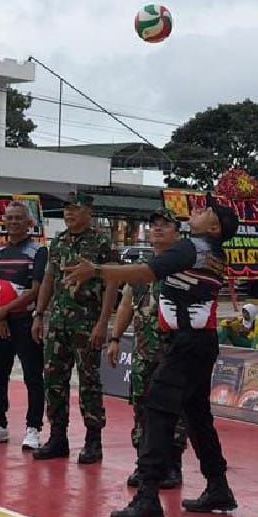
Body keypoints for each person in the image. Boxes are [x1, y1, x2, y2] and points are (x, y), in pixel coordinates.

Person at [64, 199, 239, 517]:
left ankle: (148, 495)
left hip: (186, 346)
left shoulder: (193, 248)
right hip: (197, 344)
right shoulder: (209, 252)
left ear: (214, 227)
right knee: (198, 419)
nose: (197, 210)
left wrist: (97, 270)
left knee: (156, 411)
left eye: (205, 211)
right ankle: (218, 487)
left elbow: (145, 273)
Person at [30, 192, 116, 463]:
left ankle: (93, 440)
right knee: (54, 380)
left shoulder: (101, 243)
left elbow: (112, 283)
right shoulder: (58, 242)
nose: (69, 214)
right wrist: (39, 313)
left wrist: (103, 323)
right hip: (58, 322)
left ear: (88, 212)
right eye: (66, 209)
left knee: (89, 381)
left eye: (75, 209)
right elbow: (48, 279)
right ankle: (58, 437)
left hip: (87, 322)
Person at [107, 208, 186, 489]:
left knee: (175, 411)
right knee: (141, 408)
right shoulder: (142, 267)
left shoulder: (183, 265)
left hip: (174, 355)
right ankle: (144, 464)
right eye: (154, 225)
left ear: (177, 232)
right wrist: (115, 338)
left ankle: (172, 465)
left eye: (165, 225)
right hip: (143, 352)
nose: (158, 229)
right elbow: (126, 304)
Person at [0, 200, 46, 449]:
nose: (14, 222)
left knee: (32, 376)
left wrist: (2, 312)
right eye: (9, 218)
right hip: (0, 324)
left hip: (25, 322)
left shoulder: (38, 251)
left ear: (29, 223)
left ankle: (33, 428)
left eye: (19, 218)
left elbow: (36, 289)